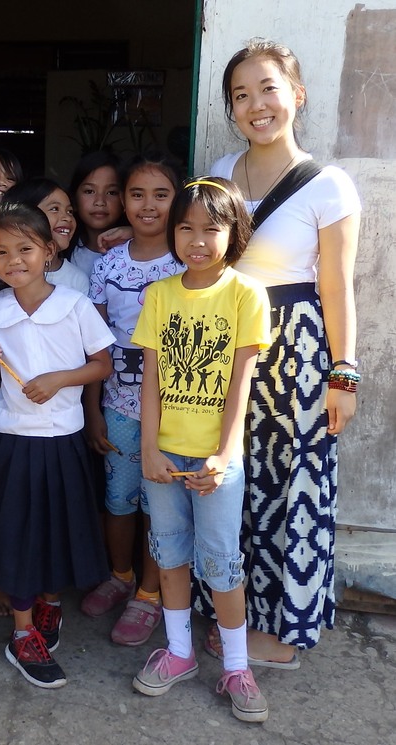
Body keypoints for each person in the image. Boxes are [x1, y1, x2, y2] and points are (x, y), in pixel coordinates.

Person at [202, 39, 361, 666]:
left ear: (296, 94)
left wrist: (343, 374)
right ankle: (228, 616)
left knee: (289, 491)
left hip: (295, 356)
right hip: (225, 345)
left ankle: (281, 633)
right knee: (231, 487)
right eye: (241, 95)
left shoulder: (330, 185)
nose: (256, 105)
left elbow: (337, 287)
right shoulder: (219, 168)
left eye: (268, 88)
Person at [131, 177, 271, 723]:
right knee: (170, 554)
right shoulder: (160, 294)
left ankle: (237, 667)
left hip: (217, 462)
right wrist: (147, 450)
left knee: (221, 562)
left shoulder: (245, 294)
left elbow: (243, 382)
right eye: (185, 227)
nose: (196, 239)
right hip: (164, 457)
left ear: (234, 233)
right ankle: (180, 652)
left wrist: (224, 455)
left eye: (211, 229)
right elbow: (150, 381)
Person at [0, 203, 115, 688]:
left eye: (25, 249)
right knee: (17, 534)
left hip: (63, 438)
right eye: (2, 253)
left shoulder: (74, 304)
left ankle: (50, 607)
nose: (14, 261)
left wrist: (59, 379)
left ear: (49, 252)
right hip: (13, 441)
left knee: (57, 530)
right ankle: (22, 632)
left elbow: (102, 364)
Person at [81, 151, 184, 646]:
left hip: (176, 412)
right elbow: (97, 343)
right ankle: (120, 574)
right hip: (118, 406)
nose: (147, 205)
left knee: (159, 504)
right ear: (123, 200)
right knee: (118, 500)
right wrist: (92, 411)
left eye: (161, 195)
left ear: (178, 199)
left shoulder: (190, 260)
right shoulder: (108, 263)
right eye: (136, 194)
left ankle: (149, 593)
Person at [3, 178, 89, 294]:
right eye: (54, 209)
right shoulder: (8, 269)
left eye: (70, 211)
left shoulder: (77, 279)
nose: (67, 218)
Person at [67, 150, 125, 278]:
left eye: (111, 192)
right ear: (74, 199)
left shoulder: (136, 249)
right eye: (89, 191)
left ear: (125, 201)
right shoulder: (61, 249)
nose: (100, 201)